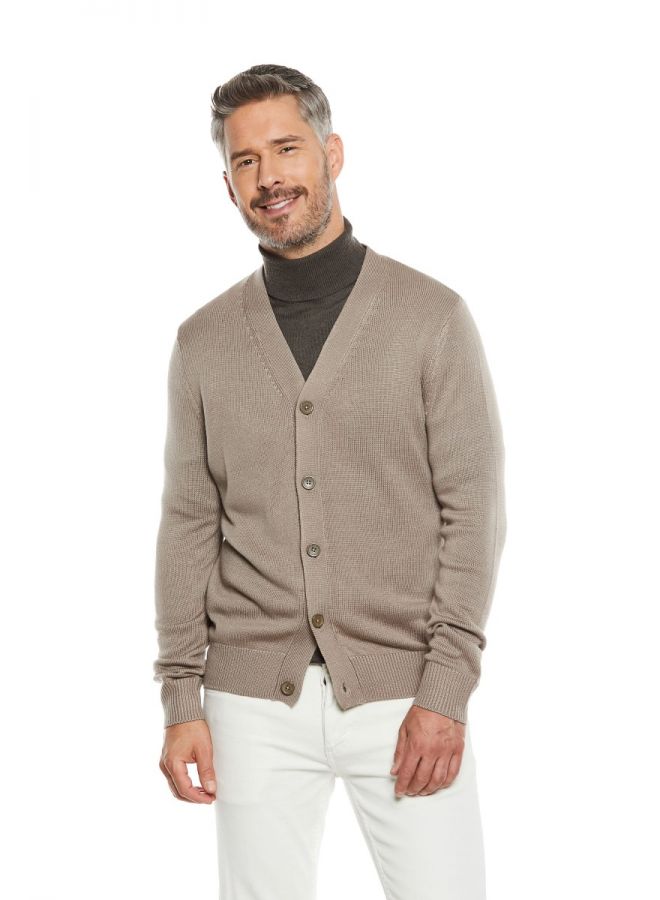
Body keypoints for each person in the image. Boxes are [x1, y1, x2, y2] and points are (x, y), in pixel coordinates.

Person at [153, 63, 507, 900]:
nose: (268, 177)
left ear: (332, 154)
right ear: (229, 185)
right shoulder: (203, 342)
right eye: (245, 161)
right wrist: (181, 698)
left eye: (286, 149)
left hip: (404, 692)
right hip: (250, 702)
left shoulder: (431, 319)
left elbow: (474, 512)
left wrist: (446, 692)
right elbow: (189, 521)